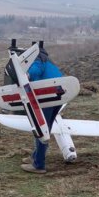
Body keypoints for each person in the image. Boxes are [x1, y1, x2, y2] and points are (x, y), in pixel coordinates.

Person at [21, 44, 64, 175]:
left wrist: (25, 75)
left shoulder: (38, 60)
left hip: (47, 100)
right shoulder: (50, 62)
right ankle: (35, 157)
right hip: (57, 98)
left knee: (40, 129)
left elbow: (34, 72)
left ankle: (39, 165)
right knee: (46, 128)